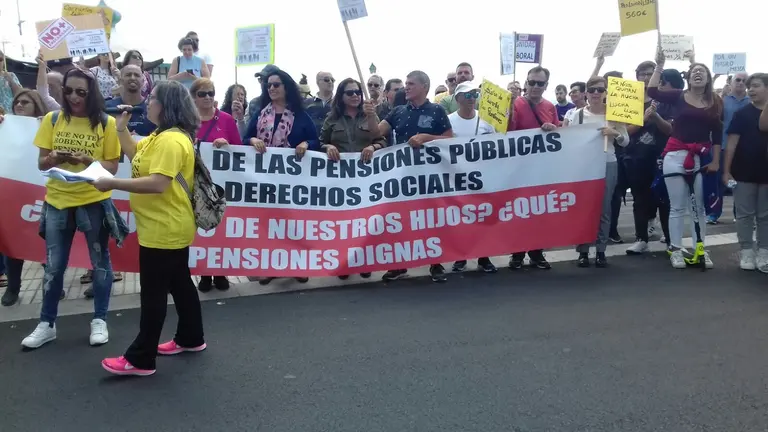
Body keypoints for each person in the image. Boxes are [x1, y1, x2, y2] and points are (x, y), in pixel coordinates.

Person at [95, 81, 205, 377]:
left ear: (165, 105)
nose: (147, 100)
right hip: (164, 226)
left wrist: (112, 183)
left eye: (152, 97)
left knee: (154, 294)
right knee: (180, 285)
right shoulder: (160, 137)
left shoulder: (171, 140)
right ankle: (191, 338)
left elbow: (158, 183)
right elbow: (135, 155)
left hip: (165, 228)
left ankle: (141, 358)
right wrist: (121, 129)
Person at [21, 68, 126, 349]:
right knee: (54, 267)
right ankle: (46, 323)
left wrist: (87, 160)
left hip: (93, 200)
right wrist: (53, 157)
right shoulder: (53, 120)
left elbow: (113, 166)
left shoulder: (105, 123)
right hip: (57, 200)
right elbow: (42, 163)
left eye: (81, 92)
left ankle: (100, 320)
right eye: (69, 91)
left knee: (100, 263)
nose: (74, 97)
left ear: (91, 93)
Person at [648, 43, 723, 269]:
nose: (698, 73)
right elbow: (652, 91)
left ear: (709, 79)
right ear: (688, 78)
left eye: (703, 71)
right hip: (675, 154)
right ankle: (676, 249)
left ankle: (701, 247)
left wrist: (717, 161)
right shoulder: (678, 96)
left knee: (698, 207)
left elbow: (718, 134)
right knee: (678, 206)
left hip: (701, 155)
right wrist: (659, 65)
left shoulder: (715, 101)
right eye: (694, 71)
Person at [243, 67, 320, 286]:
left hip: (292, 181)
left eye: (276, 85)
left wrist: (306, 144)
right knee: (269, 226)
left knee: (293, 225)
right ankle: (271, 268)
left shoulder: (301, 115)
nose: (272, 89)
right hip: (266, 179)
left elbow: (316, 142)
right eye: (269, 86)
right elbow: (245, 138)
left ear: (286, 87)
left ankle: (298, 266)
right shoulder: (260, 114)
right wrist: (251, 141)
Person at [377, 70, 453, 282]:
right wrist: (368, 114)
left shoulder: (437, 110)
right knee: (400, 220)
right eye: (405, 84)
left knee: (428, 219)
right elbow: (376, 131)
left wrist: (427, 137)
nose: (406, 87)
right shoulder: (398, 111)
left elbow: (450, 140)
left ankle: (435, 263)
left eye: (411, 84)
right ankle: (399, 264)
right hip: (402, 176)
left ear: (425, 87)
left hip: (428, 176)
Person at [320, 78, 385, 280]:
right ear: (341, 96)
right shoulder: (331, 119)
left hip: (366, 178)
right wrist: (328, 147)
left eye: (357, 91)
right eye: (350, 93)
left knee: (365, 221)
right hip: (340, 180)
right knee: (343, 223)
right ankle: (345, 263)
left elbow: (382, 139)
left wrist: (373, 147)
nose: (355, 95)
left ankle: (365, 262)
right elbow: (320, 142)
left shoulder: (371, 116)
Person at [565, 76, 629, 267]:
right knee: (584, 208)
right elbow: (570, 140)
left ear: (606, 93)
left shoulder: (615, 114)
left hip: (607, 162)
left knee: (604, 208)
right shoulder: (578, 115)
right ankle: (583, 251)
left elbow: (625, 140)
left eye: (600, 90)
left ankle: (601, 250)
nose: (595, 93)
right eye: (592, 90)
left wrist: (615, 133)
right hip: (585, 165)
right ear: (586, 92)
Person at [190, 78, 241, 292]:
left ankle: (220, 271)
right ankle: (204, 273)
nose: (208, 97)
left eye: (211, 93)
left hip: (221, 186)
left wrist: (227, 146)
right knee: (201, 226)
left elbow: (240, 150)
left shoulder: (227, 120)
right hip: (196, 184)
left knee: (219, 225)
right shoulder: (187, 121)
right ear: (193, 97)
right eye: (202, 94)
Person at [506, 66, 559, 270]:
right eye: (531, 82)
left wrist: (553, 129)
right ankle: (517, 253)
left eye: (540, 83)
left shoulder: (549, 107)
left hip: (541, 169)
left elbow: (558, 134)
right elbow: (508, 130)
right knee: (520, 211)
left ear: (546, 85)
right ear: (525, 83)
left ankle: (536, 252)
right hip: (519, 168)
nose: (535, 87)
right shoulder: (516, 103)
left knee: (539, 212)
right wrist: (509, 105)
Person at [0, 90, 49, 306]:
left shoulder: (48, 126)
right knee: (14, 241)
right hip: (15, 193)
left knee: (48, 240)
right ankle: (13, 287)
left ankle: (52, 284)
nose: (19, 105)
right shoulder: (5, 127)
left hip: (42, 190)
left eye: (25, 102)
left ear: (36, 106)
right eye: (17, 102)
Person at [445, 81, 498, 274]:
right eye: (467, 96)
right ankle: (461, 256)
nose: (471, 99)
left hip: (482, 178)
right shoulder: (448, 120)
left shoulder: (486, 122)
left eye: (474, 95)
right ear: (458, 99)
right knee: (461, 219)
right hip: (457, 178)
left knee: (483, 217)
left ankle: (484, 257)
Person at [723, 73, 768, 272]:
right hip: (743, 171)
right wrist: (726, 171)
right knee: (744, 214)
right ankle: (747, 251)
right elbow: (731, 144)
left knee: (765, 215)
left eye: (756, 86)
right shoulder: (742, 114)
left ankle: (764, 252)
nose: (751, 89)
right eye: (750, 86)